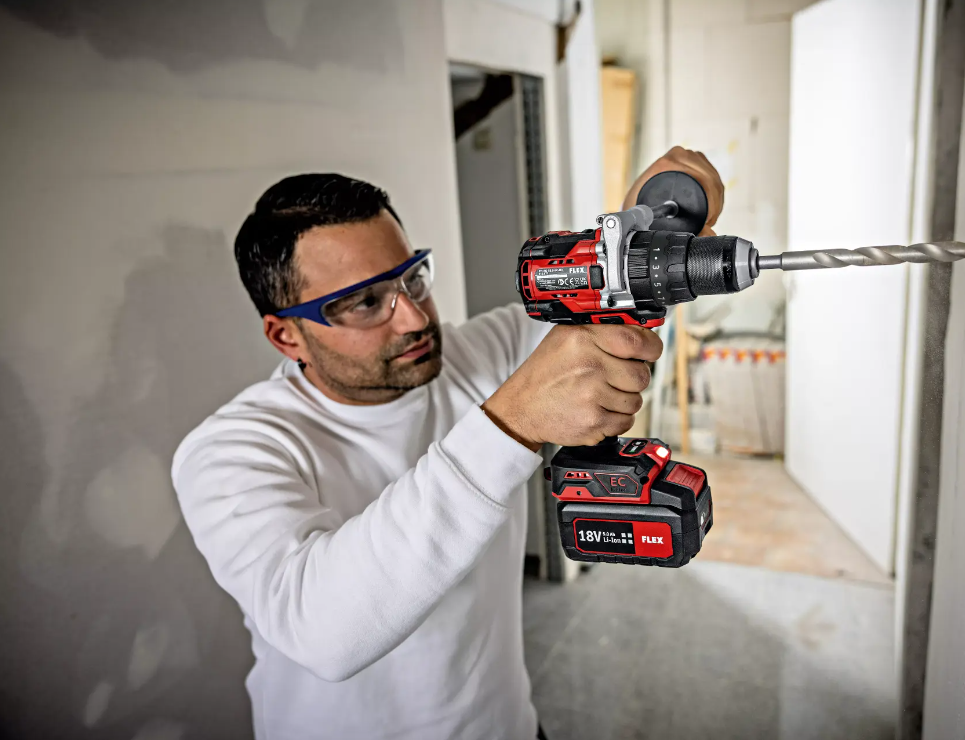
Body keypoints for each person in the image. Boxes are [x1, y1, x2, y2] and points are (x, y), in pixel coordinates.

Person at [172, 147, 723, 740]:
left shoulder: (480, 352)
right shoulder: (231, 453)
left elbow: (604, 306)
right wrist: (511, 420)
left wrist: (652, 227)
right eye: (365, 303)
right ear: (287, 336)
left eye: (412, 278)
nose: (413, 318)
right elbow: (322, 632)